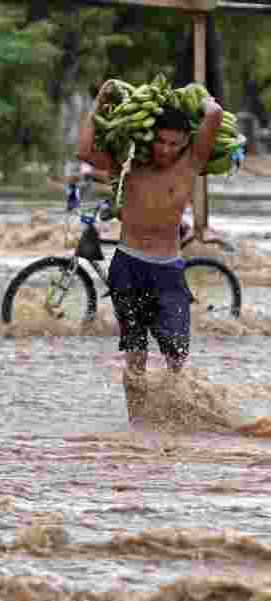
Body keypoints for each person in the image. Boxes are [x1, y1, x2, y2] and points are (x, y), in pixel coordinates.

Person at [78, 80, 223, 418]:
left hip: (168, 270)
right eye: (160, 140)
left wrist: (196, 97)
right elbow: (84, 151)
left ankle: (178, 418)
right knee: (135, 356)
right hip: (128, 266)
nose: (166, 149)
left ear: (185, 142)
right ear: (149, 138)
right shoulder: (128, 164)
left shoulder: (190, 165)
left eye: (174, 142)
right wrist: (100, 100)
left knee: (177, 355)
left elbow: (214, 113)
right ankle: (139, 425)